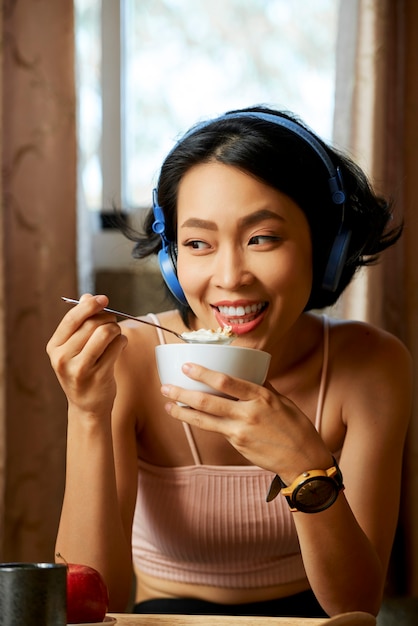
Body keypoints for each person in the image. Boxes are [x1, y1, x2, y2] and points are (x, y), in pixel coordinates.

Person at [47, 106, 412, 618]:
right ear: (173, 261)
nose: (230, 275)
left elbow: (357, 607)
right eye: (198, 243)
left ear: (326, 248)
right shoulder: (128, 361)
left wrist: (304, 466)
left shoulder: (373, 365)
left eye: (261, 238)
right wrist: (86, 414)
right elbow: (87, 605)